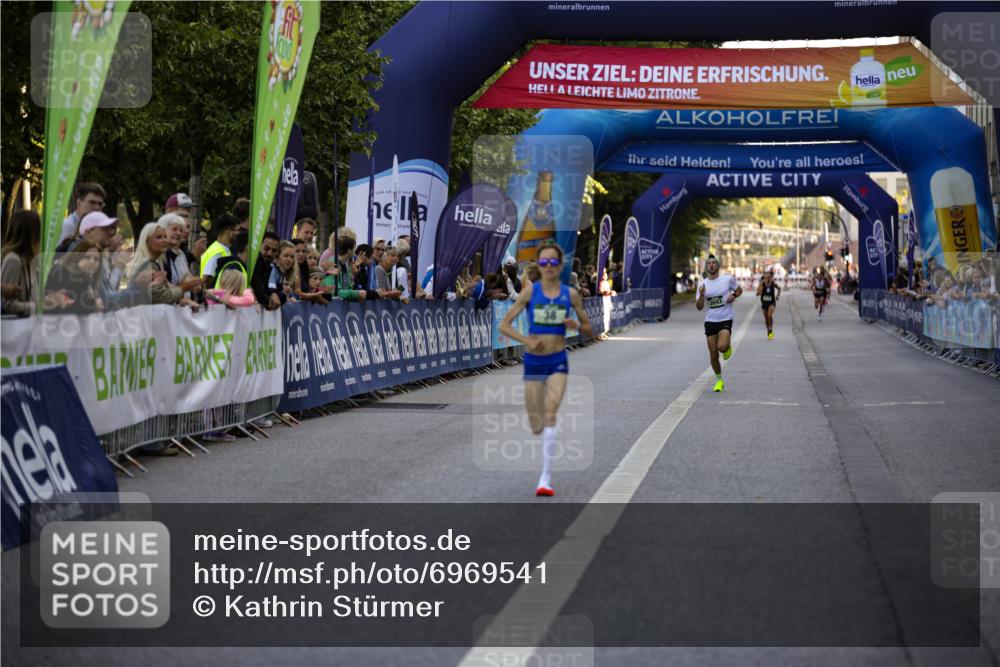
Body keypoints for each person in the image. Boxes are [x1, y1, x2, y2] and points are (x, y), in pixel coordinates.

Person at [499, 241, 592, 497]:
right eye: (544, 262)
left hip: (557, 360)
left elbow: (588, 329)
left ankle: (545, 478)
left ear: (560, 266)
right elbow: (504, 325)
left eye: (553, 262)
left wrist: (576, 324)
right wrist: (526, 340)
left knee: (551, 413)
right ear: (539, 266)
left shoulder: (570, 295)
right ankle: (543, 452)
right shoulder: (530, 293)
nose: (549, 266)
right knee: (536, 423)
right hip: (533, 361)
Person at [696, 254, 741, 393]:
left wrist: (733, 295)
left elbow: (739, 289)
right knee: (713, 354)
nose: (711, 265)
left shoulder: (727, 280)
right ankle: (719, 380)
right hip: (710, 321)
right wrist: (702, 295)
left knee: (721, 347)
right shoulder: (702, 284)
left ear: (718, 266)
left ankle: (727, 348)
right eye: (708, 263)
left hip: (725, 318)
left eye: (713, 263)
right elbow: (699, 307)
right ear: (706, 266)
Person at [127, 222, 197, 307]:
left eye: (165, 237)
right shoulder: (147, 266)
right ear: (147, 241)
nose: (164, 240)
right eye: (159, 237)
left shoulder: (155, 263)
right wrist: (183, 288)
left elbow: (166, 290)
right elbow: (159, 297)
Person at [45, 240, 105, 314]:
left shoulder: (87, 279)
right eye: (87, 257)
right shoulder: (65, 275)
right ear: (77, 257)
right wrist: (94, 305)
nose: (92, 262)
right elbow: (77, 307)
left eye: (96, 259)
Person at [200, 213, 241, 285]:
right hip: (216, 295)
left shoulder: (222, 249)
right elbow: (205, 280)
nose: (239, 233)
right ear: (228, 232)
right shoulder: (217, 253)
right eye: (237, 230)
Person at [268, 240, 299, 306]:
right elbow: (271, 291)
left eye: (292, 257)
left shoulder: (283, 272)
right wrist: (284, 295)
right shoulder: (272, 268)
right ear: (277, 257)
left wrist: (289, 297)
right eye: (286, 256)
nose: (289, 259)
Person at [756, 269, 781, 339]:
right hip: (764, 303)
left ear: (771, 277)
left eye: (769, 277)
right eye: (766, 277)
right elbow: (757, 293)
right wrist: (759, 292)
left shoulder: (773, 283)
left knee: (769, 315)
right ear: (764, 278)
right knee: (766, 318)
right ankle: (768, 331)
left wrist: (778, 295)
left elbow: (779, 288)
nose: (768, 279)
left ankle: (771, 329)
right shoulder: (762, 283)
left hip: (771, 302)